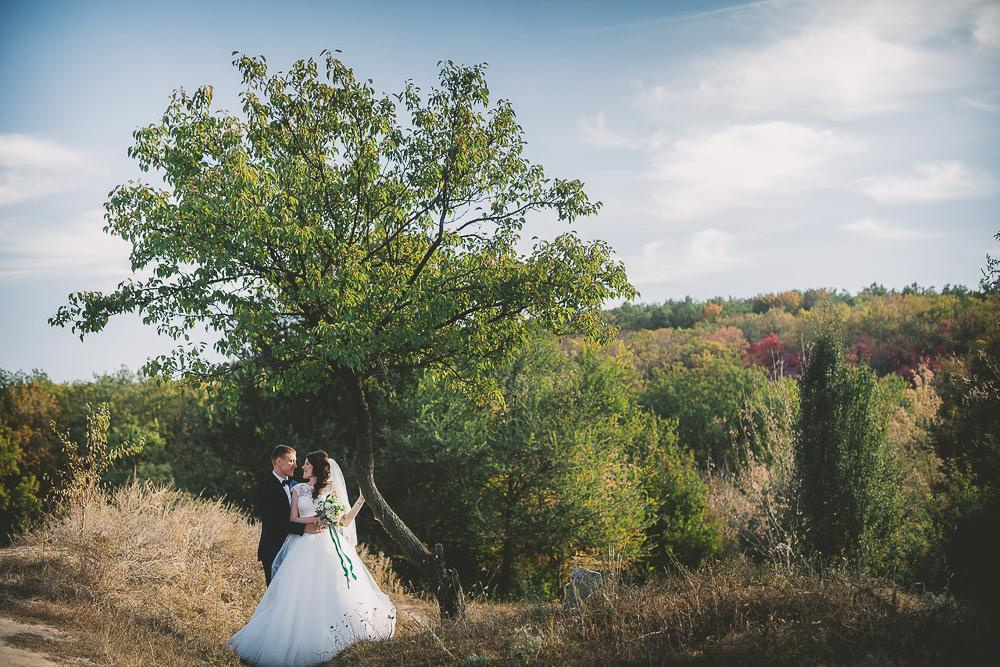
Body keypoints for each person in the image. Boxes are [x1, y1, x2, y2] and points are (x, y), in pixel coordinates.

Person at [228, 450, 397, 666]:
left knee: (334, 589)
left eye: (306, 463)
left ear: (317, 468)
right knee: (298, 592)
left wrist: (361, 500)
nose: (302, 466)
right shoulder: (298, 488)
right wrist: (314, 520)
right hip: (304, 546)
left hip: (328, 546)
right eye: (299, 462)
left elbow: (344, 521)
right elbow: (293, 518)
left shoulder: (331, 491)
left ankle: (337, 634)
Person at [252, 445, 325, 586]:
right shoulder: (265, 487)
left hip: (296, 549)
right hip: (274, 549)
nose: (296, 465)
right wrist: (304, 528)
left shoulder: (296, 486)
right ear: (279, 462)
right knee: (277, 593)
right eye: (292, 461)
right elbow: (273, 522)